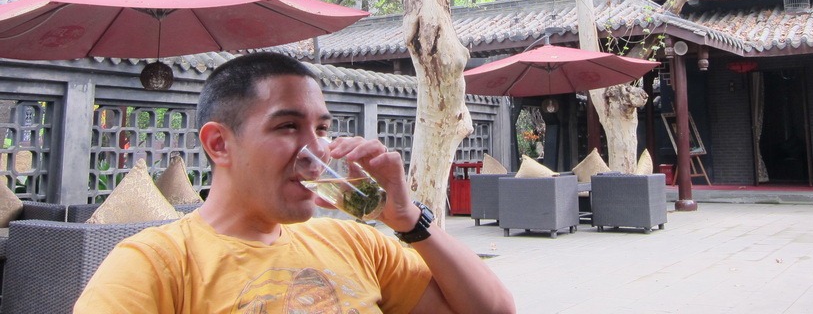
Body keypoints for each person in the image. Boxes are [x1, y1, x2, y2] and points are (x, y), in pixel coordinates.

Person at [75, 51, 515, 313]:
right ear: (219, 144)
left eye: (322, 129)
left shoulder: (356, 243)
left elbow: (494, 310)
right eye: (287, 126)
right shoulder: (155, 265)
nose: (316, 150)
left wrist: (409, 220)